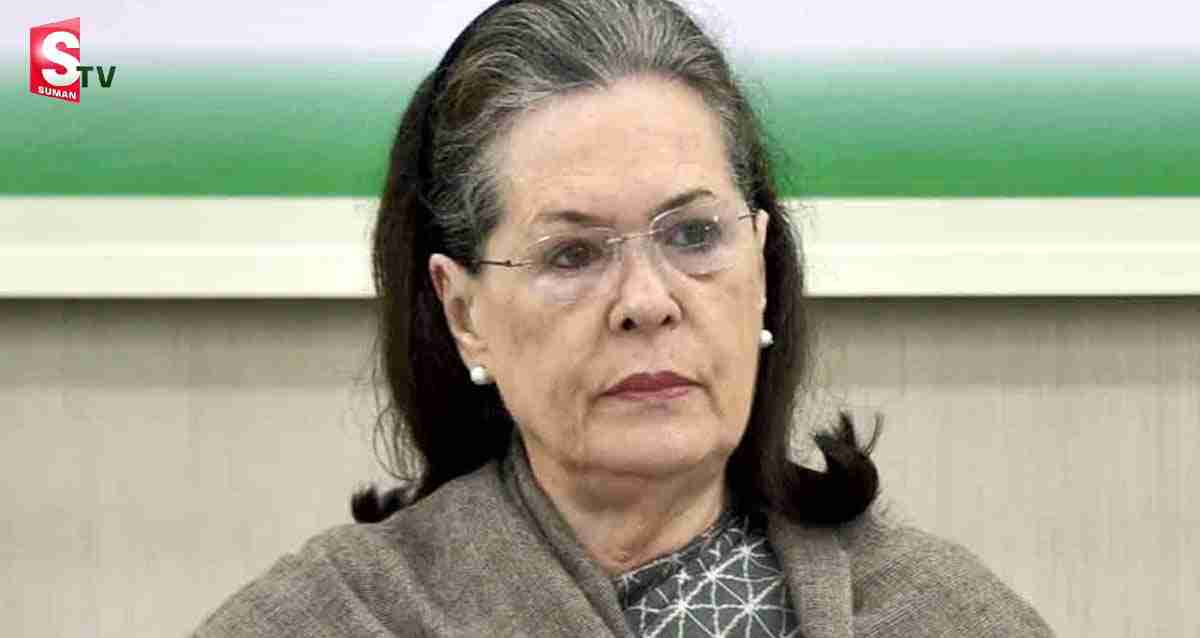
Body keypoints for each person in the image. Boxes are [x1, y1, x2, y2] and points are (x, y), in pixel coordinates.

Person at [194, 0, 1055, 635]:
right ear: (464, 313)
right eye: (573, 254)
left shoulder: (931, 611)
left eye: (694, 235)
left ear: (761, 269)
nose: (647, 302)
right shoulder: (342, 616)